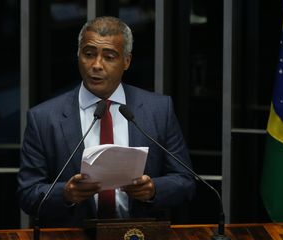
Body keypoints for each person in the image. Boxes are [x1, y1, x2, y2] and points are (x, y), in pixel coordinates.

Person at [17, 16, 195, 227]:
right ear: (78, 55)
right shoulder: (44, 118)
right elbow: (27, 194)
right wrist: (65, 194)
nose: (97, 65)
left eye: (109, 57)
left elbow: (185, 182)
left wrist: (153, 189)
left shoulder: (158, 110)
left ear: (126, 61)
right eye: (88, 54)